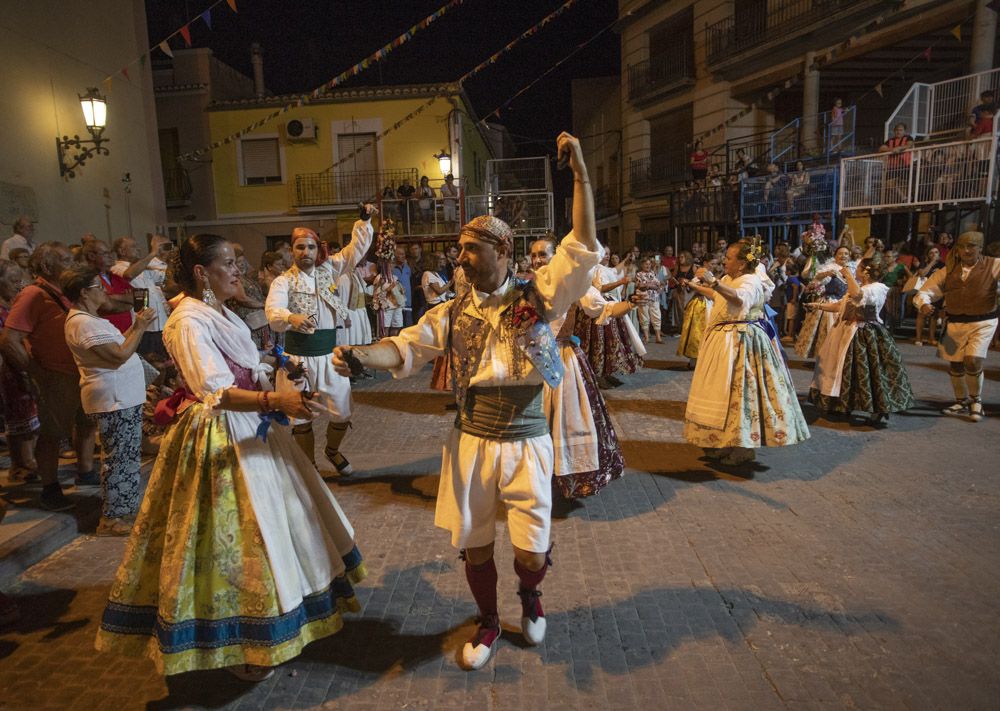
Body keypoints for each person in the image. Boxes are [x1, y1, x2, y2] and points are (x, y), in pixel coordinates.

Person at [332, 132, 600, 671]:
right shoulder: (451, 313)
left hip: (527, 439)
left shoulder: (539, 296)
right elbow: (404, 346)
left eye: (471, 248)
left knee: (531, 551)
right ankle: (490, 621)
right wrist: (361, 356)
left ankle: (530, 594)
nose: (461, 258)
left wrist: (581, 178)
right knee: (475, 547)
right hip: (471, 441)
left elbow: (581, 246)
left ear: (502, 251)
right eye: (459, 250)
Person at [95, 233, 366, 680]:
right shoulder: (188, 321)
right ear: (202, 272)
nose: (238, 271)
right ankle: (239, 642)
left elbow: (249, 362)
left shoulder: (218, 311)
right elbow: (214, 390)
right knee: (235, 540)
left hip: (253, 428)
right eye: (228, 263)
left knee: (278, 527)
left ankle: (275, 620)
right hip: (220, 436)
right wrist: (277, 403)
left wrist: (282, 372)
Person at [683, 240, 810, 465]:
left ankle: (743, 448)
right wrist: (700, 286)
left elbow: (739, 299)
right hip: (723, 342)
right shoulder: (728, 279)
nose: (725, 261)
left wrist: (713, 281)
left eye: (729, 258)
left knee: (740, 395)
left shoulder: (750, 280)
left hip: (741, 343)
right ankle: (725, 442)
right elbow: (718, 296)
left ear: (742, 264)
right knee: (721, 396)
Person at [265, 214, 374, 475]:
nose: (306, 252)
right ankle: (309, 466)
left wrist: (364, 221)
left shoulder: (330, 269)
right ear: (292, 250)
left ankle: (332, 452)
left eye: (310, 247)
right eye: (300, 247)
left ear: (318, 249)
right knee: (301, 416)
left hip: (329, 356)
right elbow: (273, 311)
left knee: (342, 411)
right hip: (298, 359)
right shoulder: (283, 281)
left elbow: (354, 250)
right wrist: (290, 316)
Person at [0, 243, 98, 511]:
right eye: (65, 259)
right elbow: (9, 340)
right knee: (53, 434)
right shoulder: (33, 294)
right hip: (55, 374)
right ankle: (50, 488)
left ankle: (86, 472)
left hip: (79, 372)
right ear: (46, 267)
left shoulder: (67, 292)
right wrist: (37, 373)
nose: (72, 264)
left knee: (86, 423)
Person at [529, 236, 628, 499]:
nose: (537, 260)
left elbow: (602, 308)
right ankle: (532, 477)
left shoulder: (574, 285)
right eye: (534, 255)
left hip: (562, 360)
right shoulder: (525, 285)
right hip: (529, 362)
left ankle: (566, 478)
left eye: (543, 254)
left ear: (556, 257)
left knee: (566, 418)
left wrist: (632, 304)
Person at [61, 264, 156, 534]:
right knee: (119, 458)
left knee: (126, 456)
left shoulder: (90, 319)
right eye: (98, 287)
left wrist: (136, 328)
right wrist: (139, 325)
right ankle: (112, 517)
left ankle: (123, 511)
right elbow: (118, 356)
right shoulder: (82, 323)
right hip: (113, 398)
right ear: (83, 293)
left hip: (123, 397)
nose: (105, 291)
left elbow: (118, 347)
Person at [808, 257, 914, 426]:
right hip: (846, 331)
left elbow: (858, 297)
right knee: (844, 371)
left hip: (864, 333)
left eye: (857, 268)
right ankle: (843, 405)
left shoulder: (877, 288)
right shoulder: (861, 287)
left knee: (868, 372)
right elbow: (840, 306)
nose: (855, 270)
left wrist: (848, 275)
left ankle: (878, 408)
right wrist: (817, 305)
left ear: (865, 272)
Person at [914, 231, 999, 423]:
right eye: (962, 246)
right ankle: (961, 401)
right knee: (956, 363)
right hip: (954, 322)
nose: (967, 250)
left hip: (983, 322)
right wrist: (925, 304)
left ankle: (976, 402)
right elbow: (924, 292)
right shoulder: (947, 270)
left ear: (980, 248)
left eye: (972, 246)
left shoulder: (994, 265)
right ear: (957, 249)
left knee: (973, 359)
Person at [0, 259, 38, 482]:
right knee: (19, 417)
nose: (19, 285)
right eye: (13, 281)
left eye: (20, 280)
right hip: (9, 369)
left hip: (21, 365)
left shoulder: (12, 306)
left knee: (28, 415)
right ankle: (22, 463)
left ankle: (25, 461)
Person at [111, 235, 173, 358]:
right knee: (151, 365)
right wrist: (153, 253)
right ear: (122, 251)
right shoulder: (117, 267)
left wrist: (170, 259)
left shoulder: (142, 267)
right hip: (144, 328)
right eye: (134, 246)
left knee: (164, 365)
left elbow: (166, 277)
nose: (139, 249)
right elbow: (129, 275)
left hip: (160, 325)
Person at [794, 240, 847, 359]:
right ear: (835, 255)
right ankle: (826, 357)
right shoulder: (830, 267)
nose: (843, 256)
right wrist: (826, 274)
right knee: (828, 330)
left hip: (845, 302)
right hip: (831, 301)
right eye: (840, 253)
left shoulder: (852, 268)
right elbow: (817, 278)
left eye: (846, 254)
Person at [227, 243, 272, 351]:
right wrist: (264, 305)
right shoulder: (235, 280)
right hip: (247, 323)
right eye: (238, 263)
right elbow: (242, 299)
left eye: (243, 262)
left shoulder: (244, 277)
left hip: (258, 322)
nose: (241, 265)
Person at [82, 240, 134, 334]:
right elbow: (105, 306)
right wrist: (126, 298)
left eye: (111, 252)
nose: (111, 257)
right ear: (91, 256)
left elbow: (141, 297)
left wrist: (112, 296)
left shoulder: (116, 277)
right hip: (106, 334)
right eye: (106, 253)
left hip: (128, 333)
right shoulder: (87, 280)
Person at [912, 246, 945, 346]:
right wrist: (931, 263)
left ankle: (931, 338)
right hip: (924, 290)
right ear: (928, 255)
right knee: (922, 313)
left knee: (934, 315)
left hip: (936, 291)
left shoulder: (942, 265)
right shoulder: (924, 263)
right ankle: (919, 338)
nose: (934, 254)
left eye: (936, 252)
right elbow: (922, 274)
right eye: (931, 253)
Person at [879, 123, 914, 203]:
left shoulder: (908, 138)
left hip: (905, 166)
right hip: (892, 167)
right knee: (889, 184)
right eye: (897, 130)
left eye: (901, 130)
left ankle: (907, 198)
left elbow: (909, 145)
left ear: (904, 131)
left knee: (903, 184)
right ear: (894, 131)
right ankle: (904, 198)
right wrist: (892, 150)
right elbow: (881, 148)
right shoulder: (890, 140)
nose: (898, 132)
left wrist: (899, 148)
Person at [633, 257, 664, 343]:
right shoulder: (639, 274)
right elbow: (641, 286)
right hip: (643, 298)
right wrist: (651, 285)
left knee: (656, 316)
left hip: (654, 298)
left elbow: (658, 285)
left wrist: (648, 285)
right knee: (644, 317)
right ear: (642, 265)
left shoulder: (653, 273)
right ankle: (646, 338)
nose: (648, 266)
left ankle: (658, 338)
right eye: (646, 264)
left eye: (649, 264)